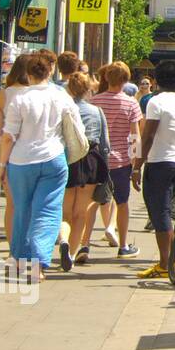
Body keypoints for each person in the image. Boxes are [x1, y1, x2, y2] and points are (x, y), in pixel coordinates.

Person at [0, 53, 83, 279]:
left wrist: (1, 165)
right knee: (48, 210)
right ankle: (39, 264)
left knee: (22, 209)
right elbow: (75, 125)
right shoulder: (61, 96)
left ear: (28, 74)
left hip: (21, 161)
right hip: (54, 158)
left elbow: (8, 136)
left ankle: (19, 259)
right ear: (49, 72)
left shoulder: (20, 98)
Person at [132, 61, 175, 280]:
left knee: (160, 213)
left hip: (160, 162)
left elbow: (148, 136)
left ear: (156, 81)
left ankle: (166, 262)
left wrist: (137, 166)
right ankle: (172, 256)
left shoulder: (155, 102)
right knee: (165, 211)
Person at [91, 62, 143, 258]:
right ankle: (123, 245)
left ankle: (84, 245)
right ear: (126, 80)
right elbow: (135, 136)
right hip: (121, 161)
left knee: (93, 202)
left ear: (106, 78)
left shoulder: (95, 101)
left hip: (98, 160)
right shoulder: (131, 104)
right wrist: (135, 162)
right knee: (122, 203)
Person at [61, 74, 111, 270]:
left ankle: (63, 240)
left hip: (67, 159)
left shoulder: (63, 108)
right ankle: (72, 253)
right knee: (81, 212)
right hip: (90, 160)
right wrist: (105, 172)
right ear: (88, 89)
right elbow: (105, 144)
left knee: (64, 212)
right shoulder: (96, 111)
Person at [0, 53, 35, 245]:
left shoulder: (2, 95)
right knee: (33, 206)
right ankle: (29, 246)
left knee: (12, 205)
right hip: (36, 154)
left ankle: (13, 249)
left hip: (10, 156)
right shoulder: (40, 93)